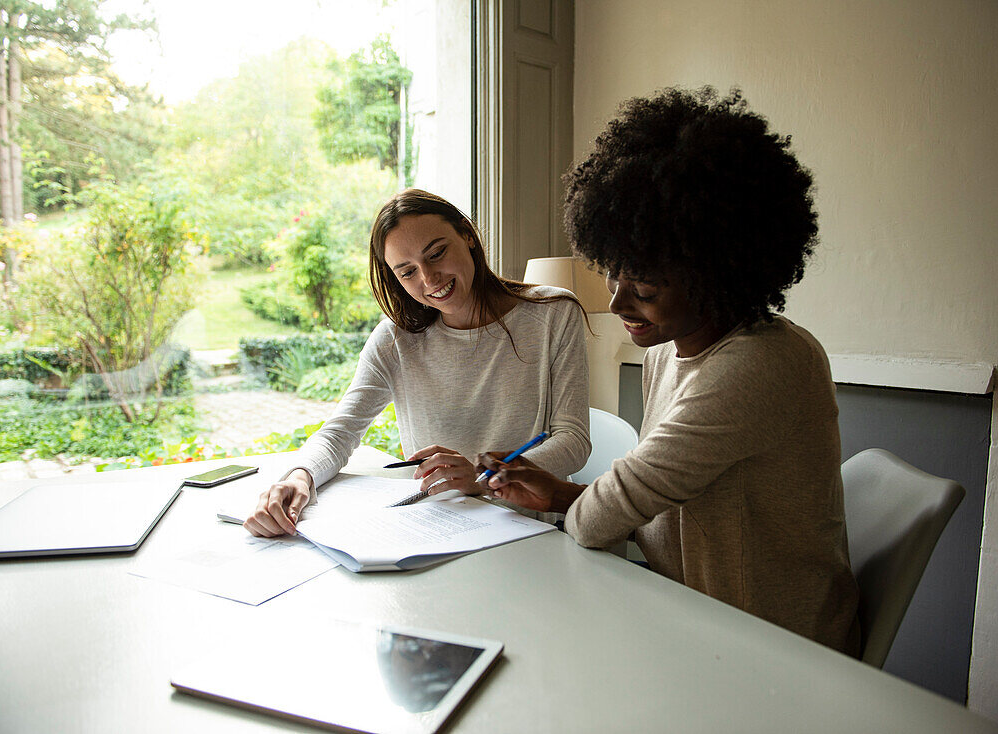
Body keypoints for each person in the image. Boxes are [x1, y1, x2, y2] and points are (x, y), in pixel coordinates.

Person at [476, 87, 861, 655]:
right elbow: (654, 506)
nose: (617, 302)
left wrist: (579, 505)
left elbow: (602, 518)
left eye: (647, 289)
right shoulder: (665, 350)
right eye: (614, 275)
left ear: (719, 274)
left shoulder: (764, 362)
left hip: (771, 648)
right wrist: (559, 492)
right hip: (689, 610)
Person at [244, 188, 590, 538]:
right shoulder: (395, 340)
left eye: (437, 254)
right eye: (407, 272)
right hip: (435, 529)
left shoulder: (553, 314)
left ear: (467, 235)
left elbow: (573, 441)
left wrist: (484, 477)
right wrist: (299, 477)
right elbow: (340, 432)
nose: (429, 279)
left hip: (528, 531)